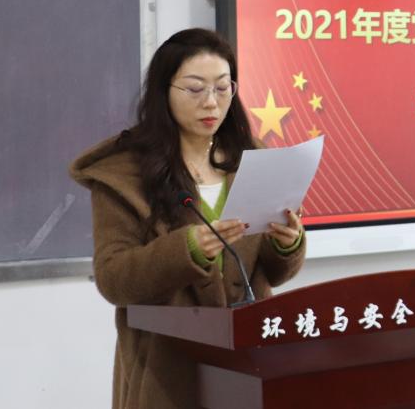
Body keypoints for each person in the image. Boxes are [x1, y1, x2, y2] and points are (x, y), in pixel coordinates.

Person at [69, 28, 305, 409]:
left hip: (248, 367)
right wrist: (187, 250)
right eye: (195, 89)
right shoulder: (125, 174)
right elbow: (113, 279)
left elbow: (270, 274)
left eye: (223, 88)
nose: (211, 102)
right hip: (167, 373)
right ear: (164, 91)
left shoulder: (251, 158)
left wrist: (287, 245)